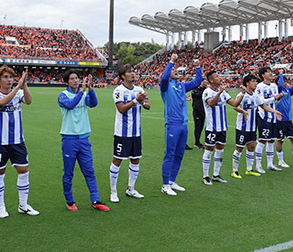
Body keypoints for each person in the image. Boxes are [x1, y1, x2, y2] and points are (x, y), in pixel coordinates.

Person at [0, 66, 39, 218]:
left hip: (18, 141)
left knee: (23, 171)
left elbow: (29, 101)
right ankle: (1, 207)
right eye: (5, 77)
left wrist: (24, 84)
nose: (9, 80)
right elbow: (3, 102)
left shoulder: (19, 92)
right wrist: (17, 87)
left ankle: (23, 205)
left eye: (11, 77)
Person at [58, 70, 109, 211]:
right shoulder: (63, 95)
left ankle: (95, 200)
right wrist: (82, 91)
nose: (75, 80)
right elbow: (70, 105)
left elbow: (93, 103)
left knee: (89, 172)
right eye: (72, 79)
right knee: (68, 173)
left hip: (84, 139)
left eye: (77, 78)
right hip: (69, 139)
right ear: (66, 82)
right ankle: (69, 201)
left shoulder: (84, 94)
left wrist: (90, 88)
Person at [159, 53, 202, 195]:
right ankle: (165, 185)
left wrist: (197, 67)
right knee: (169, 154)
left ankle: (172, 181)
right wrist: (171, 62)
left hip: (183, 125)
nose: (175, 70)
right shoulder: (165, 86)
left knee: (179, 154)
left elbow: (197, 82)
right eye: (173, 70)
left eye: (176, 69)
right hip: (172, 123)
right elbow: (164, 77)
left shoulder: (182, 86)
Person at [109, 64, 150, 203]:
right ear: (122, 76)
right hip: (122, 133)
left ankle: (131, 188)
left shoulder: (139, 89)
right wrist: (135, 100)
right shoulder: (119, 91)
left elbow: (148, 106)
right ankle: (113, 191)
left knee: (135, 160)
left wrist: (143, 101)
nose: (133, 74)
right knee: (117, 160)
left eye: (133, 71)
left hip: (136, 133)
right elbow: (121, 109)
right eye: (129, 72)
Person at [231, 74, 282, 178]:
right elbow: (235, 107)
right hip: (242, 127)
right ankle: (234, 171)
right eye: (253, 81)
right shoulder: (241, 95)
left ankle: (249, 169)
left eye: (256, 81)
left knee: (251, 147)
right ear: (247, 83)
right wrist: (243, 111)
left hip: (252, 127)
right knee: (239, 148)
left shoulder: (255, 96)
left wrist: (274, 111)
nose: (256, 83)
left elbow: (263, 105)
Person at [201, 69, 243, 185]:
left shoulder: (223, 92)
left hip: (222, 127)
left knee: (220, 151)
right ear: (211, 80)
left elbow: (234, 104)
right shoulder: (207, 92)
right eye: (216, 76)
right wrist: (219, 93)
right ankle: (205, 176)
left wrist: (243, 94)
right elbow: (211, 103)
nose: (219, 77)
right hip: (211, 127)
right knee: (209, 150)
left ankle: (216, 174)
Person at [274, 72, 293, 167]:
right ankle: (280, 160)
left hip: (288, 120)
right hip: (280, 120)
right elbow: (279, 85)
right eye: (284, 81)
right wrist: (281, 75)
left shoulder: (288, 91)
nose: (286, 83)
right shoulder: (277, 91)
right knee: (280, 140)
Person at [254, 67, 281, 173]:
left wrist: (278, 98)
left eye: (271, 71)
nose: (270, 73)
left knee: (271, 140)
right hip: (263, 116)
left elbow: (275, 103)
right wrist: (275, 98)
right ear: (262, 75)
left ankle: (270, 164)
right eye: (268, 72)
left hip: (274, 117)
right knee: (262, 140)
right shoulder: (259, 87)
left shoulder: (274, 86)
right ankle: (258, 165)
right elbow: (260, 101)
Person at [190, 80, 207, 149]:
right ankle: (197, 142)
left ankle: (198, 141)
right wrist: (203, 87)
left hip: (203, 111)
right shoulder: (194, 90)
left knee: (201, 127)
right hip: (197, 112)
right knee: (197, 127)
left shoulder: (204, 90)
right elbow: (199, 94)